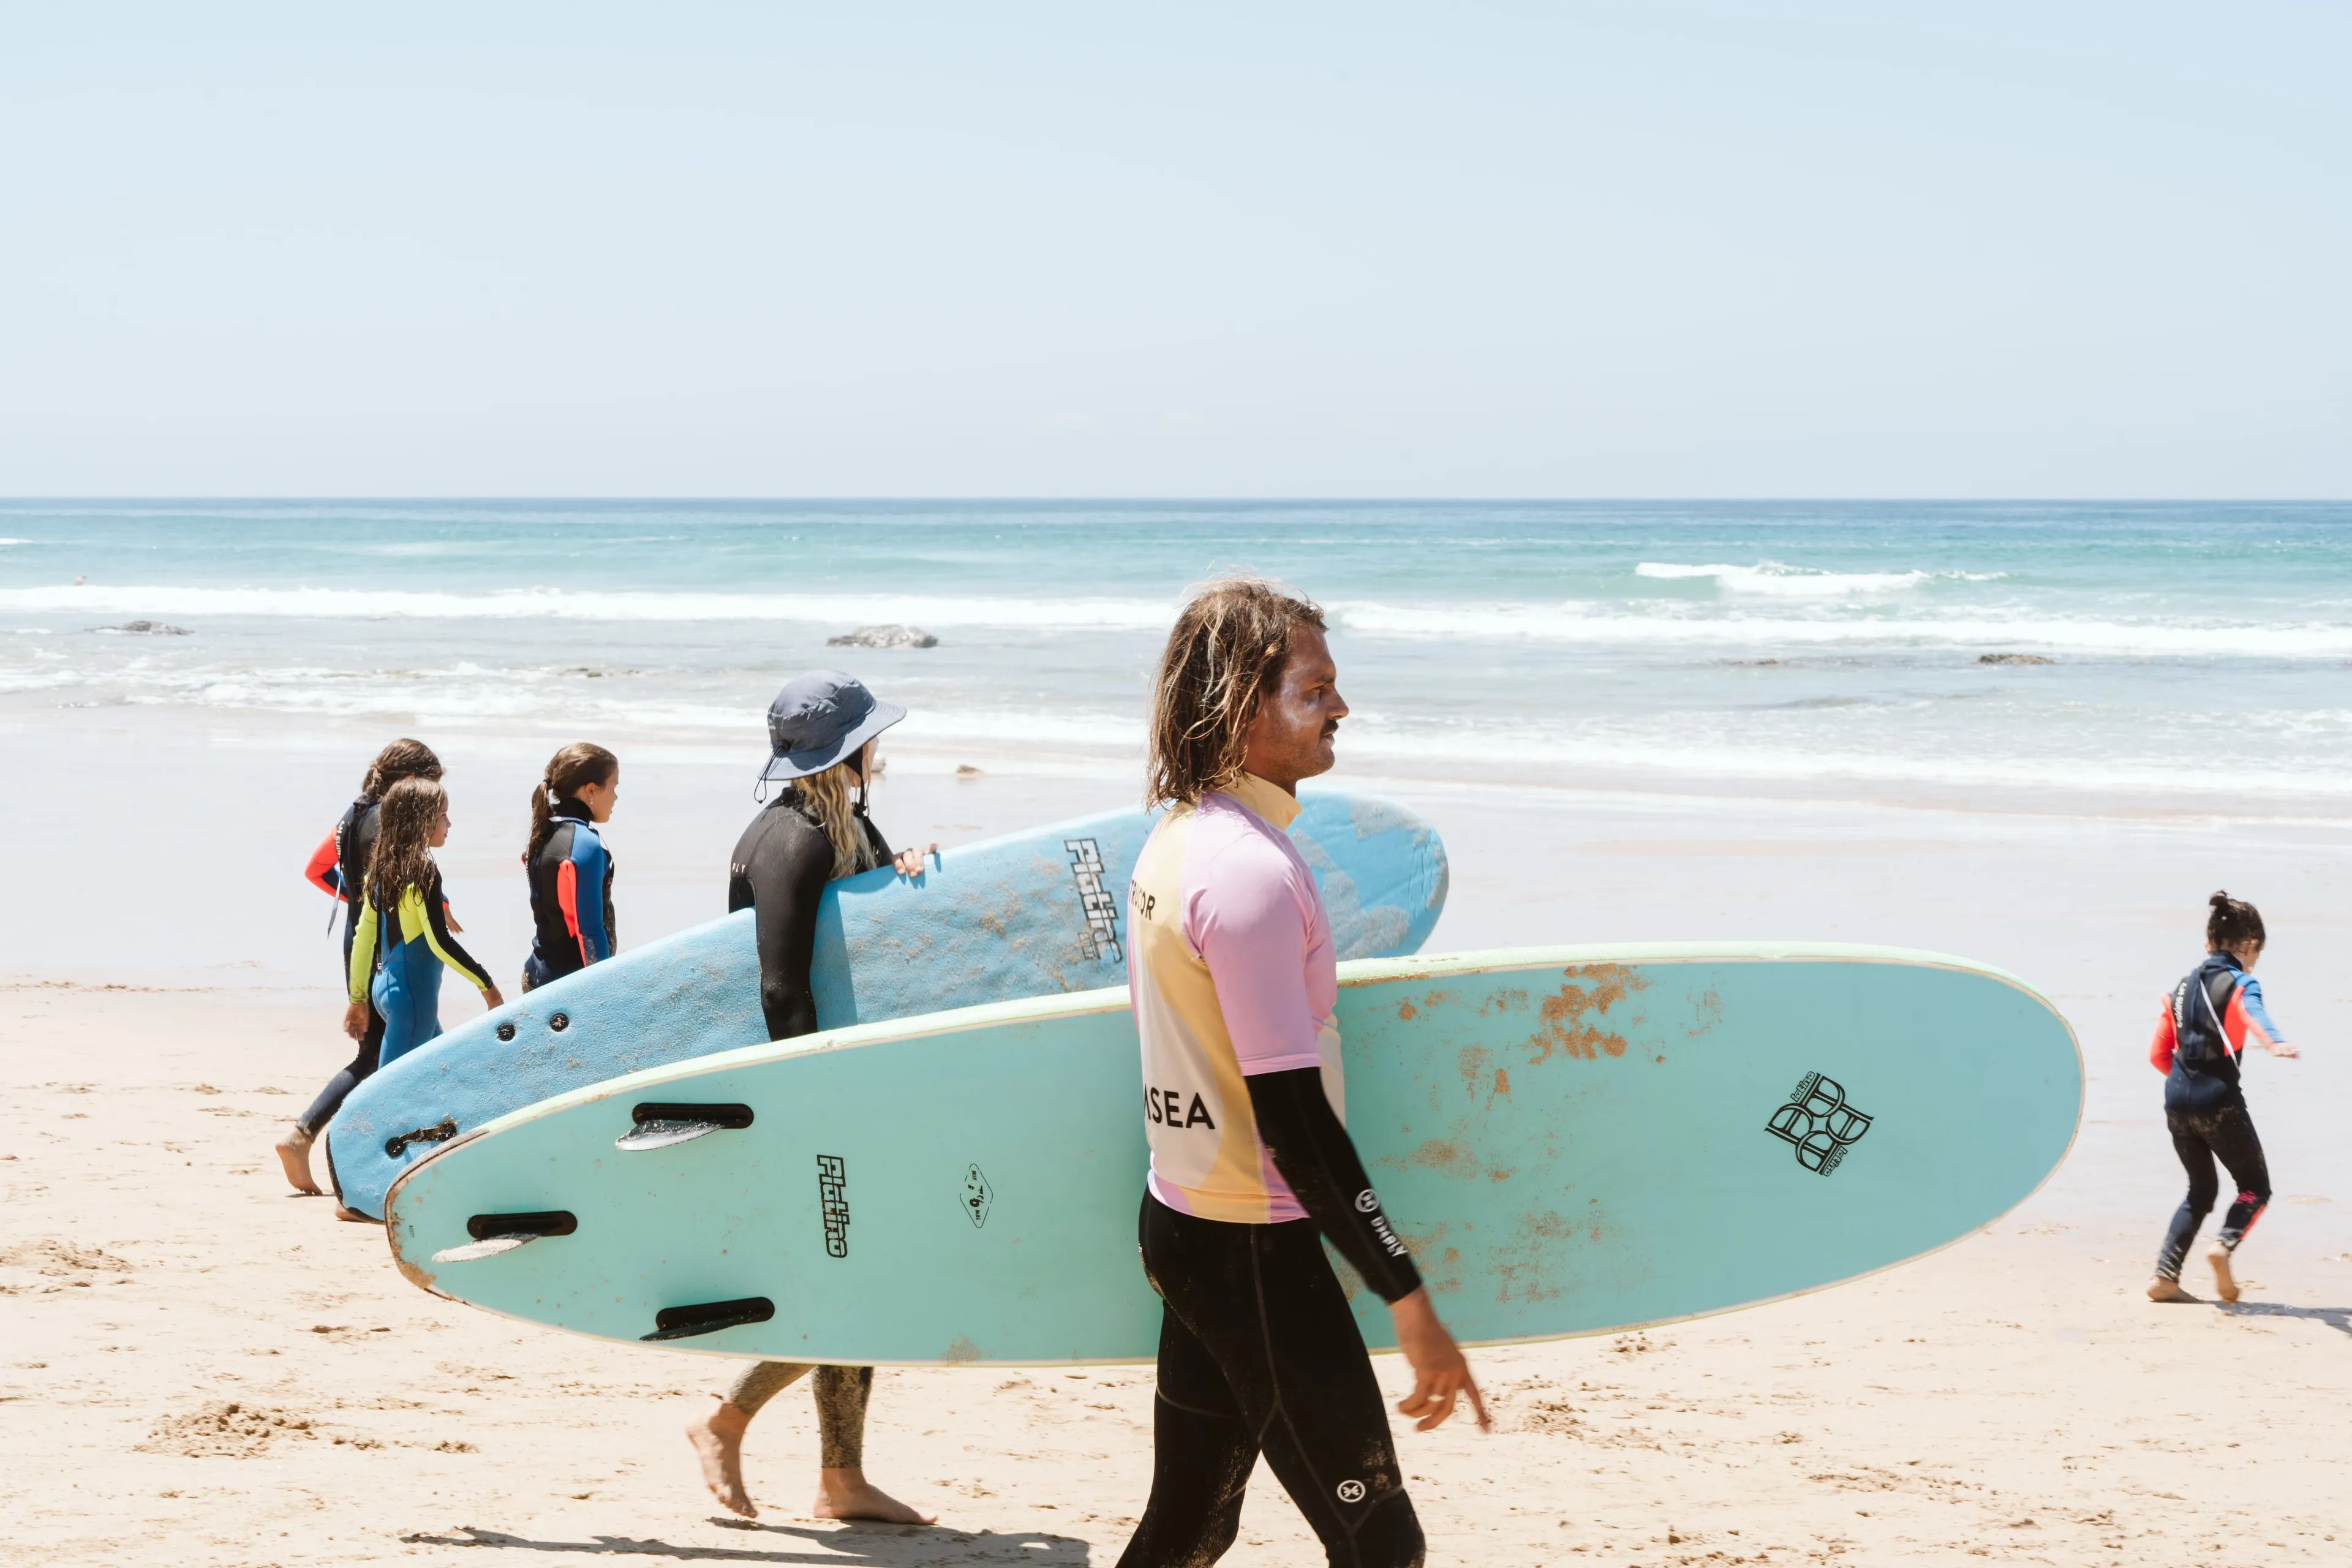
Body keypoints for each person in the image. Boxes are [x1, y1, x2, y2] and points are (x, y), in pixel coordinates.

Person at [1117, 579, 1483, 1568]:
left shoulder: (1178, 841)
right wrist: (1407, 1296)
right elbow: (1294, 1121)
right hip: (1251, 1249)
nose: (1341, 709)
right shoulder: (1249, 875)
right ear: (1243, 703)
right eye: (1315, 689)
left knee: (1192, 1520)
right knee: (1380, 1545)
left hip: (1190, 1223)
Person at [684, 671, 938, 1525]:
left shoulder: (843, 823)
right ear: (847, 748)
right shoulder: (790, 840)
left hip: (849, 1085)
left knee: (858, 1277)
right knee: (852, 1280)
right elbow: (780, 989)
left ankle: (840, 1478)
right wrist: (813, 1101)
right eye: (872, 736)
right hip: (810, 1093)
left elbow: (859, 938)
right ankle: (730, 1421)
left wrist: (904, 878)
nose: (881, 749)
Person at [276, 738, 443, 1196]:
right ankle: (306, 1137)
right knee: (378, 1056)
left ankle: (434, 1149)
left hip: (361, 939)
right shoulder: (386, 819)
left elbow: (317, 869)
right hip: (385, 949)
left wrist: (365, 904)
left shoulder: (353, 814)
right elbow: (395, 878)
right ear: (412, 782)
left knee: (429, 1046)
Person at [2146, 891, 2299, 1305]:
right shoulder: (2241, 981)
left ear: (2208, 942)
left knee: (2200, 1190)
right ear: (2249, 946)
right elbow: (2251, 1010)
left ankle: (2165, 1277)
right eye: (2256, 954)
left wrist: (2189, 1089)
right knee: (2254, 1187)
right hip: (2218, 1100)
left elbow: (2158, 1055)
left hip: (2176, 1098)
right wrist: (2275, 1041)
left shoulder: (2179, 989)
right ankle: (2224, 1246)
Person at [341, 776, 503, 1130]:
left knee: (444, 1074)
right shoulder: (423, 870)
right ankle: (362, 1153)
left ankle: (448, 1144)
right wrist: (487, 985)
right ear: (423, 821)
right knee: (387, 1096)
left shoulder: (380, 869)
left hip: (387, 992)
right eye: (444, 816)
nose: (449, 824)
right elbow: (438, 942)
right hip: (412, 999)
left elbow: (363, 937)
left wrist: (357, 998)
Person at [521, 742, 620, 992]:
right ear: (591, 790)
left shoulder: (543, 831)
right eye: (614, 788)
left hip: (536, 974)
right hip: (569, 987)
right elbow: (589, 930)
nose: (616, 797)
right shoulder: (585, 844)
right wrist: (603, 990)